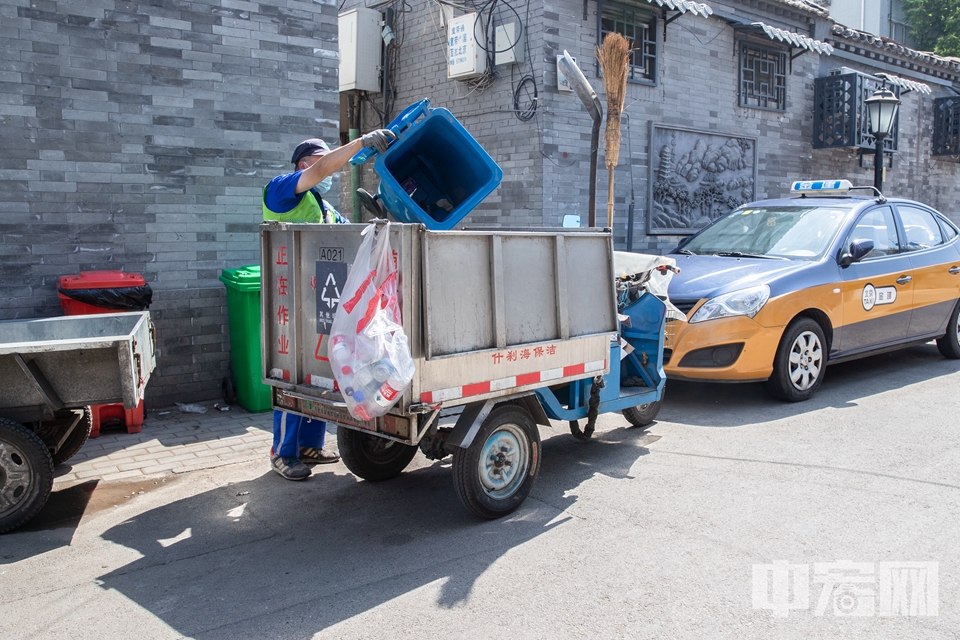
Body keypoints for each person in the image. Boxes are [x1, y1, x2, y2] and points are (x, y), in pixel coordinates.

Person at [263, 129, 396, 480]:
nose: (330, 173)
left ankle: (309, 446)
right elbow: (322, 171)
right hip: (289, 304)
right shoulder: (279, 190)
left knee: (319, 374)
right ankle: (282, 452)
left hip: (319, 304)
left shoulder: (325, 210)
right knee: (293, 377)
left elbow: (352, 238)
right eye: (323, 164)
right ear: (303, 165)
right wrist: (362, 141)